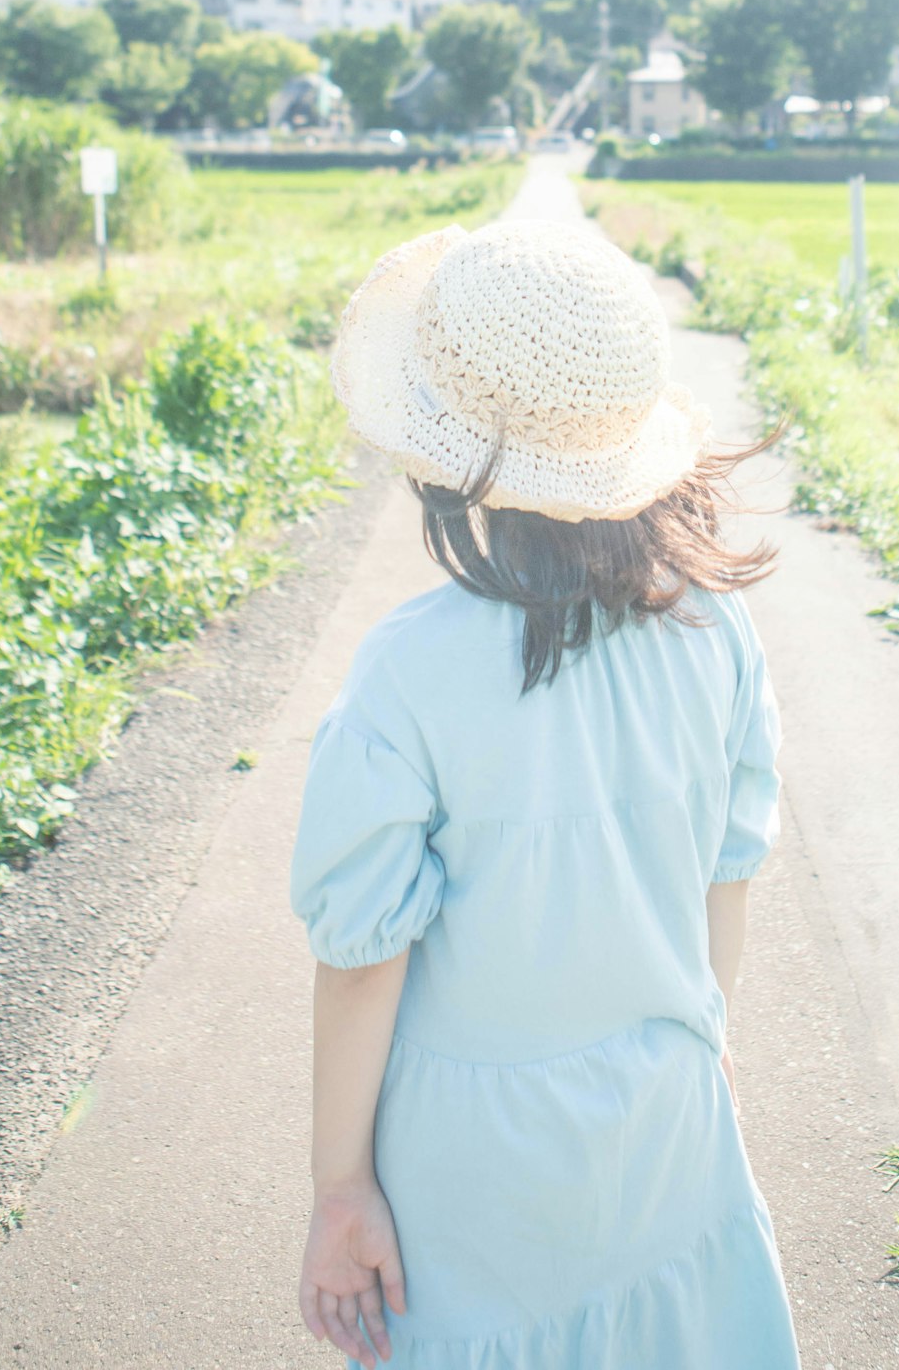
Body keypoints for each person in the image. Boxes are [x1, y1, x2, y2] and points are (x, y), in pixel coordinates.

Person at [290, 217, 800, 1368]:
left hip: (475, 1169)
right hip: (668, 1120)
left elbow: (364, 955)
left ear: (445, 446)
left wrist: (341, 1185)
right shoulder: (716, 623)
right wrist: (706, 1037)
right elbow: (730, 870)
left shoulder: (406, 668)